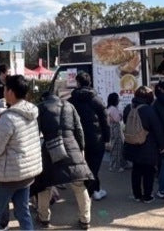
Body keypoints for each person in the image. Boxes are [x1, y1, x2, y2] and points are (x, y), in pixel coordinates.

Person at [0, 75, 42, 231]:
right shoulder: (30, 113)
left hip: (7, 176)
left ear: (10, 92)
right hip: (26, 173)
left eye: (5, 88)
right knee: (23, 213)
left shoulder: (8, 119)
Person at [35, 92, 93, 229]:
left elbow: (35, 132)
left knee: (44, 184)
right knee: (79, 184)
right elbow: (79, 129)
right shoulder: (69, 106)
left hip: (50, 146)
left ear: (45, 98)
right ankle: (85, 219)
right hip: (71, 144)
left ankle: (44, 217)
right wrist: (82, 149)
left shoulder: (41, 107)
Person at [68, 71, 110, 201]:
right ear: (90, 82)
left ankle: (91, 190)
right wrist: (107, 139)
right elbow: (105, 121)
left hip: (77, 140)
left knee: (82, 166)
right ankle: (91, 192)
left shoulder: (71, 101)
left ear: (78, 83)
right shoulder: (97, 100)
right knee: (94, 166)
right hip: (96, 139)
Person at [123, 86, 164, 203]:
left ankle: (136, 195)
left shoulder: (128, 108)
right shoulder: (149, 110)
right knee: (149, 171)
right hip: (148, 145)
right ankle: (147, 196)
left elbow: (125, 122)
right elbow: (158, 129)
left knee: (136, 170)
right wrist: (162, 145)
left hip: (131, 144)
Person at [107, 92, 125, 172]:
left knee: (114, 147)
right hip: (115, 128)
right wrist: (121, 114)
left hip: (111, 128)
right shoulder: (114, 109)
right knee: (117, 147)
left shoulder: (109, 108)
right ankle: (115, 166)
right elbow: (118, 119)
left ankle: (114, 164)